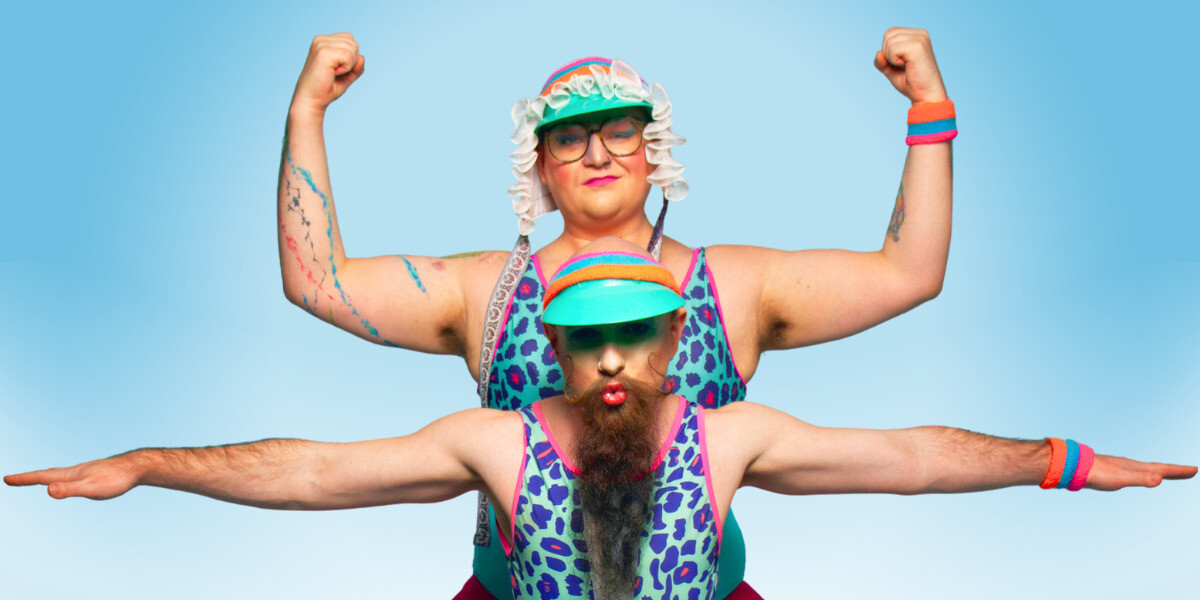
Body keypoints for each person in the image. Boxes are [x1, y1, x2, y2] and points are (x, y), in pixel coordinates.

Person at [7, 240, 1194, 600]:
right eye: (589, 341)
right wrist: (146, 463)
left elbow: (916, 460)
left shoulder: (730, 437)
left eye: (640, 336)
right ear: (554, 352)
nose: (615, 360)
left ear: (683, 343)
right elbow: (314, 472)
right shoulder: (498, 443)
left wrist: (1069, 463)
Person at [278, 28, 954, 598]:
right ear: (539, 163)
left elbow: (908, 275)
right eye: (569, 138)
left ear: (653, 150)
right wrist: (307, 111)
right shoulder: (484, 291)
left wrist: (928, 106)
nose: (597, 153)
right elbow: (320, 284)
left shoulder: (730, 285)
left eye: (620, 131)